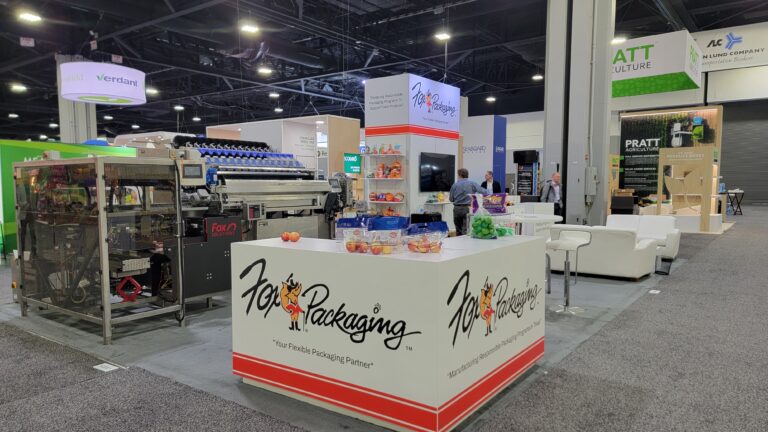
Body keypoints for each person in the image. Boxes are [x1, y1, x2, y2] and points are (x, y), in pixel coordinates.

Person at [449, 168, 482, 236]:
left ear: (460, 175)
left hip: (457, 209)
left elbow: (451, 199)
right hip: (467, 208)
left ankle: (458, 241)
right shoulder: (472, 184)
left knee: (458, 229)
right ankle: (465, 241)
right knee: (466, 229)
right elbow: (480, 193)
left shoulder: (455, 185)